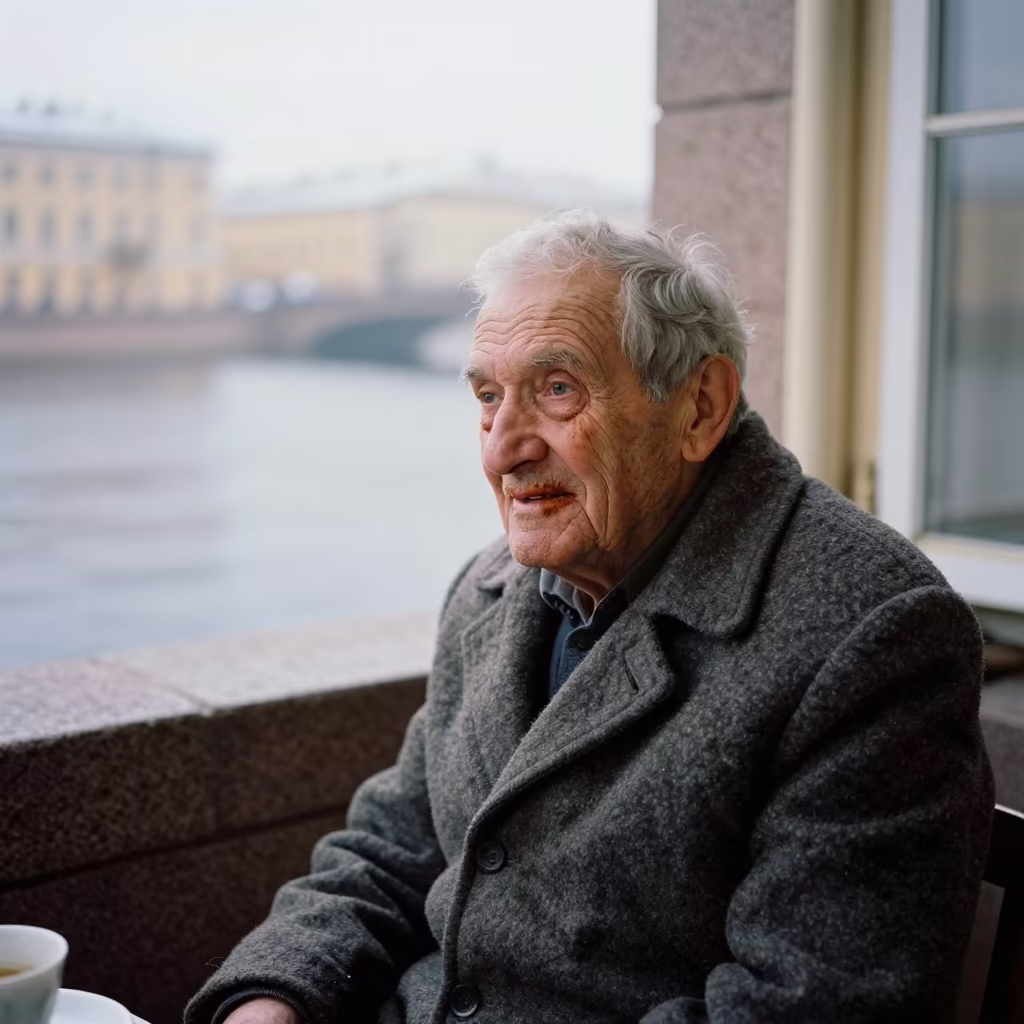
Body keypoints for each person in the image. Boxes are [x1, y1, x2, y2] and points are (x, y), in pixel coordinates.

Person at [185, 212, 993, 1024]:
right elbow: (393, 850)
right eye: (489, 396)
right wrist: (271, 995)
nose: (503, 449)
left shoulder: (870, 628)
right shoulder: (490, 588)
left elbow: (808, 1006)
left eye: (557, 389)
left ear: (701, 407)